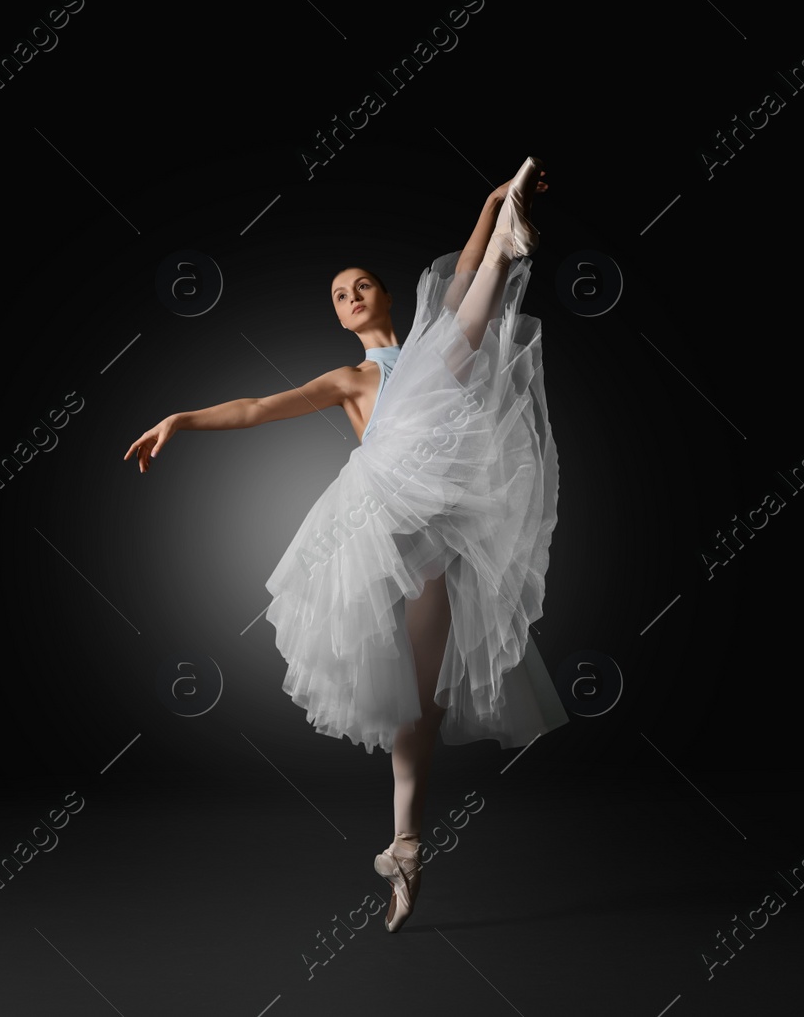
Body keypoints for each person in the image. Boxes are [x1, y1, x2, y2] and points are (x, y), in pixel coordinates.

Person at [127, 156, 568, 932]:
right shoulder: (353, 380)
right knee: (457, 335)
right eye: (339, 294)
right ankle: (510, 246)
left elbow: (455, 289)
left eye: (362, 284)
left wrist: (489, 205)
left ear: (386, 294)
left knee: (419, 709)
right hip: (384, 512)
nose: (352, 295)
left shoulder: (430, 338)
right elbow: (261, 404)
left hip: (437, 534)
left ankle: (405, 845)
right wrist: (180, 420)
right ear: (339, 318)